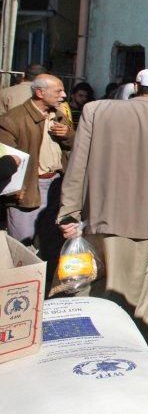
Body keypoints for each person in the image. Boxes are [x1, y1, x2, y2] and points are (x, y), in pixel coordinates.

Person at [57, 68, 148, 335]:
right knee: (134, 303)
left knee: (86, 291)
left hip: (94, 219)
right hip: (145, 228)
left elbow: (77, 166)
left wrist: (68, 213)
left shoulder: (96, 110)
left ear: (137, 88)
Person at [0, 74, 75, 283]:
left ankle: (45, 294)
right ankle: (21, 294)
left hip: (56, 186)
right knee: (24, 249)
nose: (64, 95)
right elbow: (6, 159)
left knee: (53, 246)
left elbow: (75, 146)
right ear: (40, 93)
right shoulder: (12, 120)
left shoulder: (59, 116)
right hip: (29, 189)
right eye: (58, 91)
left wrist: (67, 135)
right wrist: (14, 191)